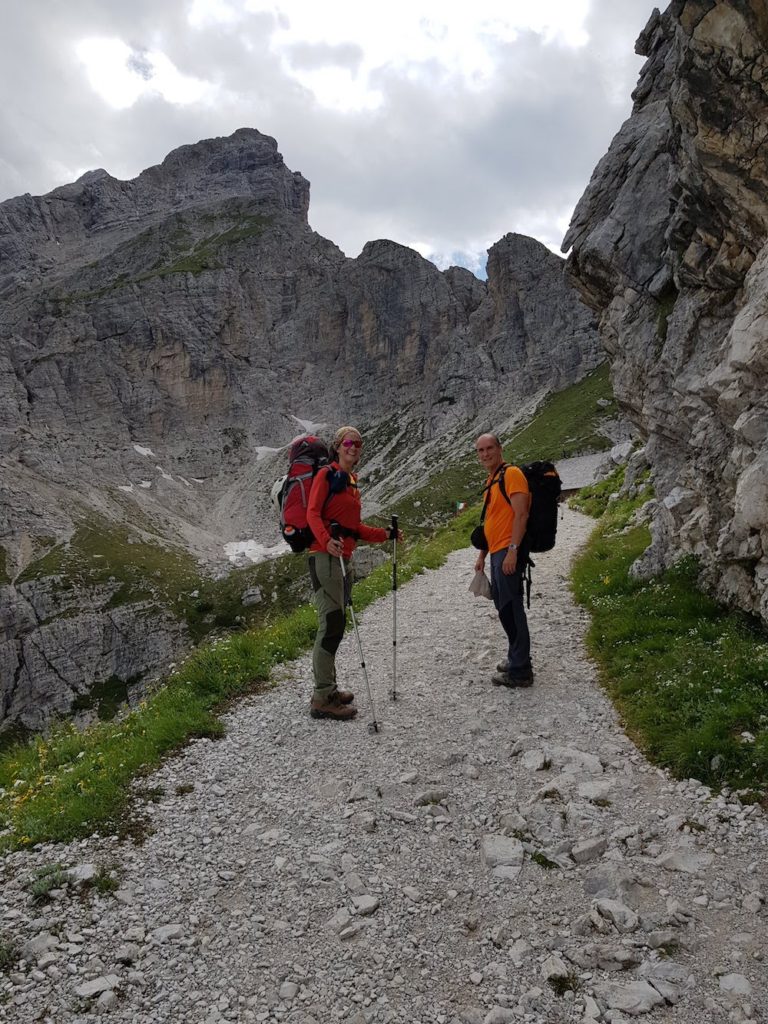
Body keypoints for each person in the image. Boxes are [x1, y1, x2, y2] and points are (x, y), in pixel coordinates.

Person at [305, 426, 403, 720]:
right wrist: (326, 541)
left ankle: (328, 689)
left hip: (342, 558)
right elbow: (312, 513)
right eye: (349, 442)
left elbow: (355, 529)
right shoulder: (326, 475)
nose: (354, 447)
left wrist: (386, 534)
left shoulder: (350, 482)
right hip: (325, 557)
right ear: (337, 446)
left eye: (359, 444)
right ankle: (322, 697)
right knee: (331, 623)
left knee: (336, 623)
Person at [473, 433, 533, 687]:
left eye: (489, 448)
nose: (485, 454)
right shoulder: (493, 479)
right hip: (496, 551)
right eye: (480, 451)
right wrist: (482, 555)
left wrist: (512, 551)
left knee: (511, 608)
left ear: (500, 448)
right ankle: (515, 656)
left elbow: (521, 515)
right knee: (503, 606)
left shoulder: (512, 474)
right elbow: (491, 521)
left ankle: (521, 671)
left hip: (508, 552)